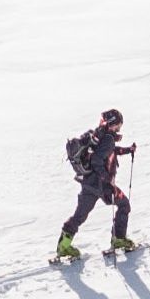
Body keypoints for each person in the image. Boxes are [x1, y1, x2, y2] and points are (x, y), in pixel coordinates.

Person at [57, 107, 137, 260]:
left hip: (88, 183)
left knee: (79, 215)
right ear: (114, 124)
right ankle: (118, 239)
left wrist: (127, 150)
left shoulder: (99, 135)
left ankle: (63, 246)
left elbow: (108, 151)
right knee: (124, 204)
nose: (120, 127)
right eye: (119, 125)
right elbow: (97, 159)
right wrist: (107, 178)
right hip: (102, 185)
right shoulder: (108, 138)